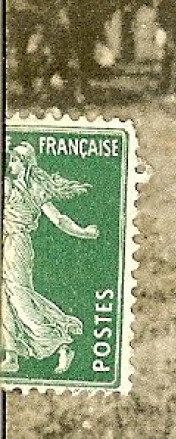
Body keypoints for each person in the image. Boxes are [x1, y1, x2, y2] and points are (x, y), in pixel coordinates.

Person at [2, 142, 98, 375]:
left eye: (14, 160)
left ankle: (61, 340)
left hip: (17, 245)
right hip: (6, 242)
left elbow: (59, 219)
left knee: (19, 298)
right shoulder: (7, 185)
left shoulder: (33, 190)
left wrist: (83, 232)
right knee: (5, 297)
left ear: (24, 164)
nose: (9, 164)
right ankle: (12, 356)